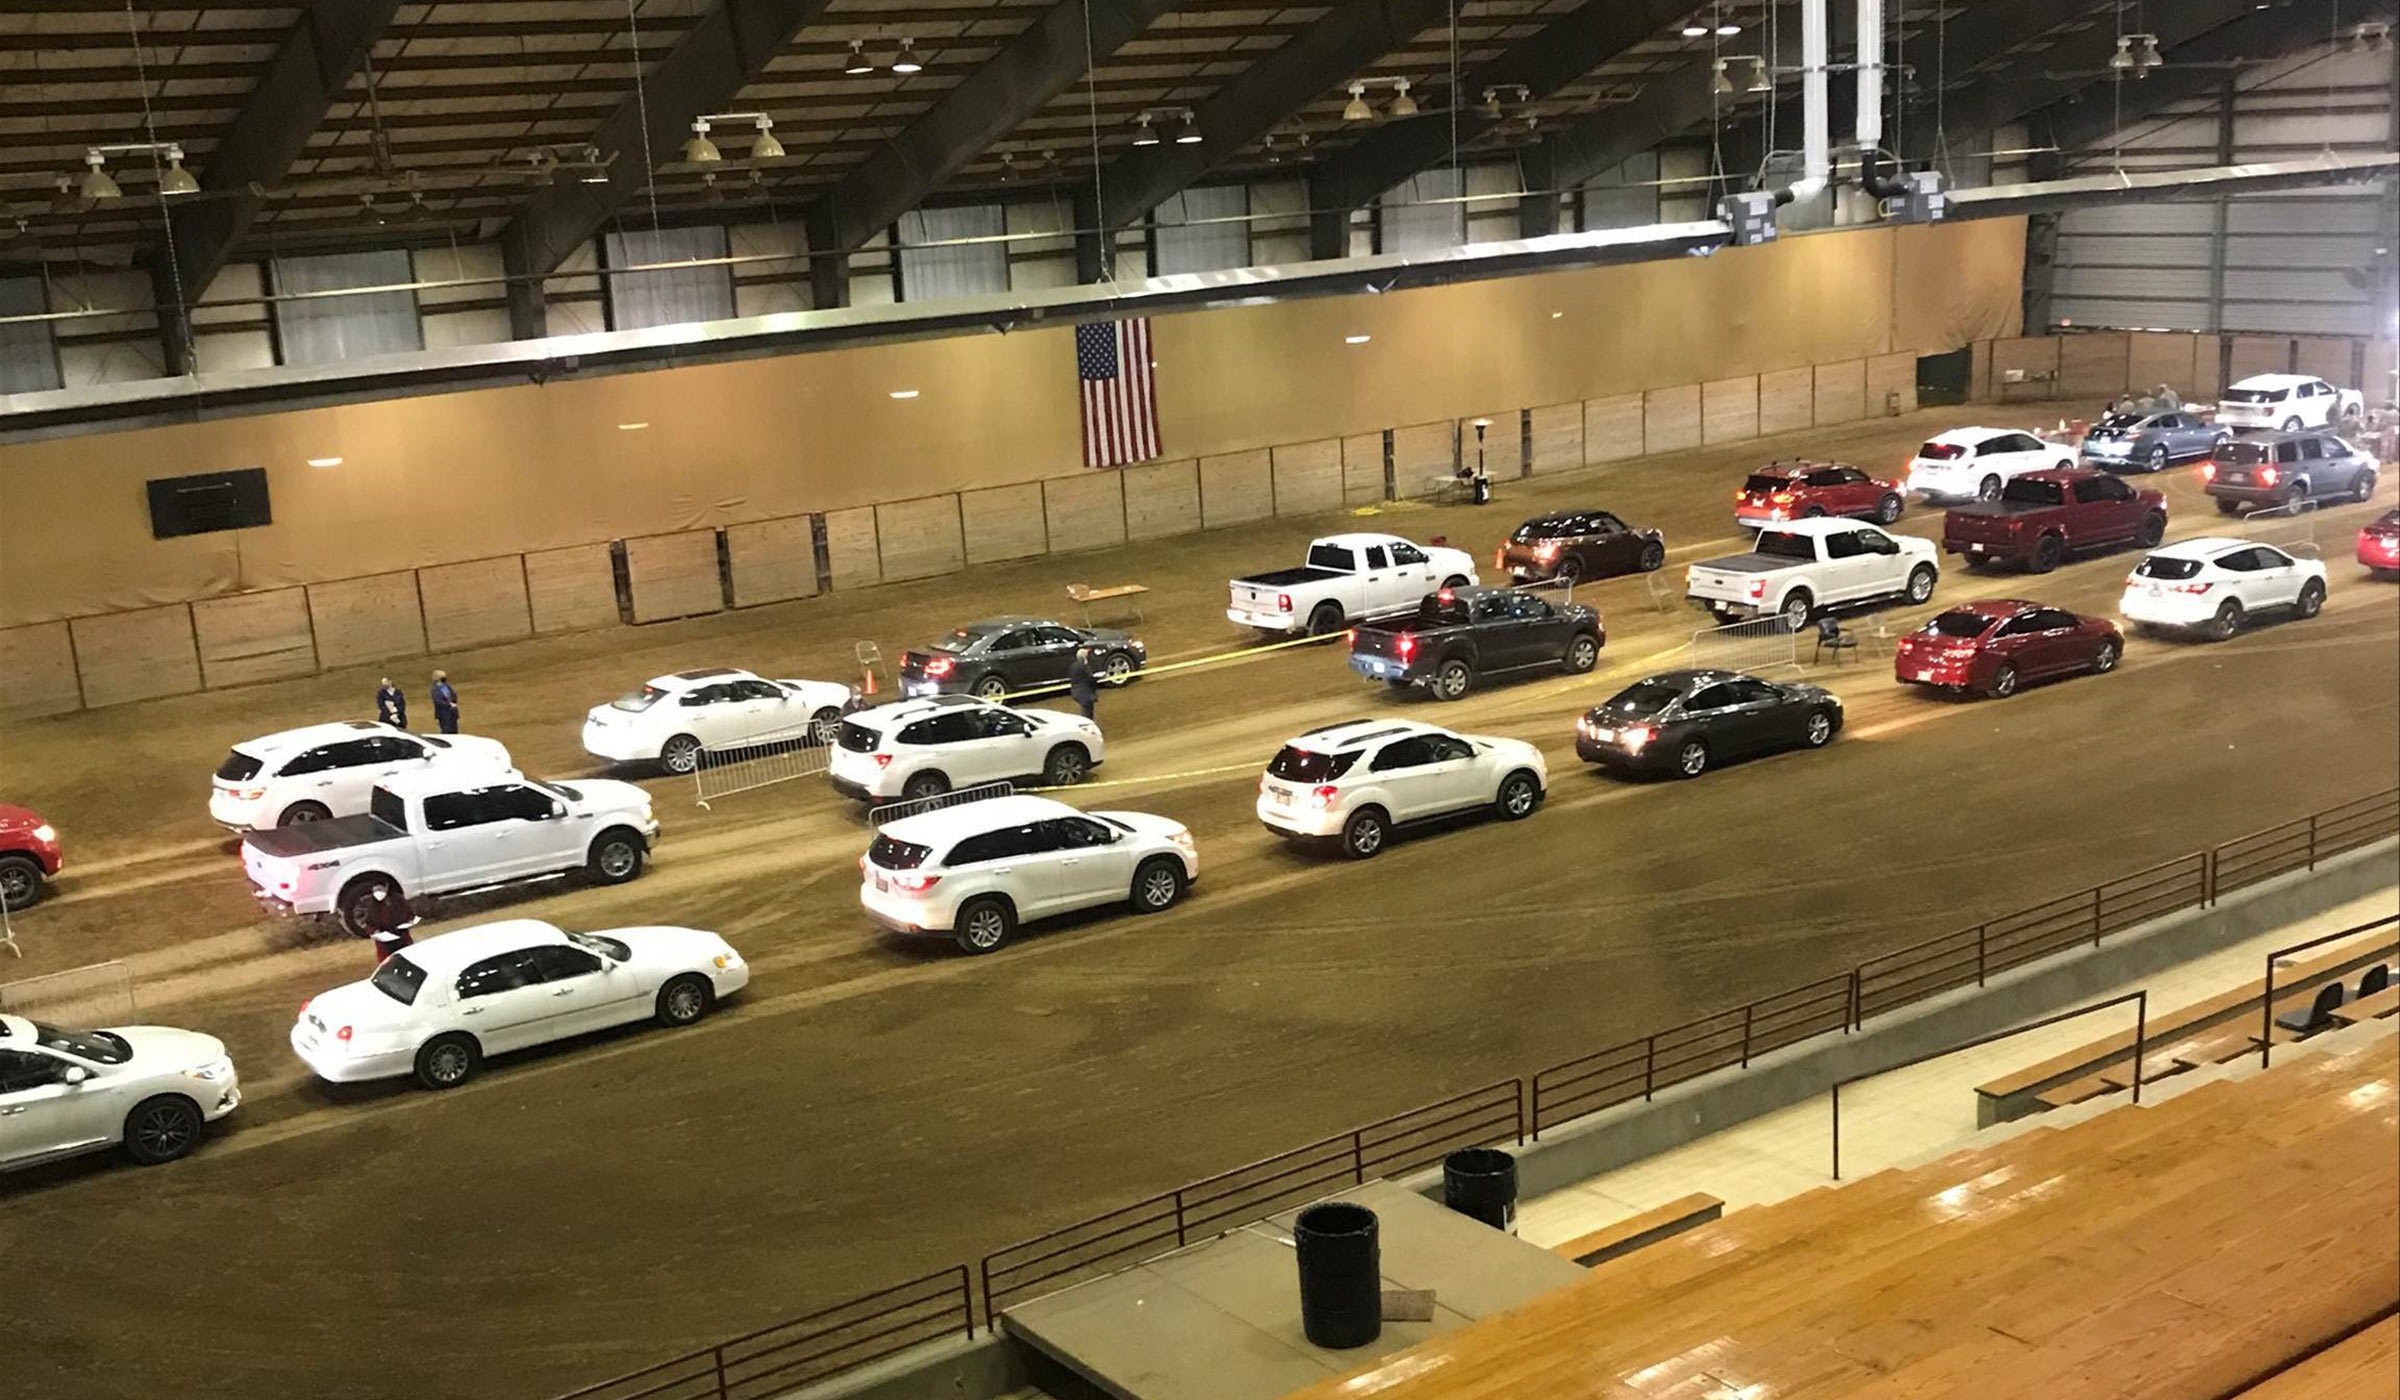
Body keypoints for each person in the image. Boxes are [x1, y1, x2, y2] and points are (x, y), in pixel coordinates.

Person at [360, 884, 417, 964]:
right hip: (384, 943)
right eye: (375, 891)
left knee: (407, 961)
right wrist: (374, 932)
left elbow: (409, 914)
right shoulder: (372, 905)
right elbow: (368, 923)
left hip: (402, 937)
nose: (377, 893)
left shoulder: (398, 900)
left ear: (386, 889)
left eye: (379, 889)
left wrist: (410, 921)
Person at [1067, 645, 1099, 722]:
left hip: (1075, 691)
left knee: (1085, 710)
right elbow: (1090, 679)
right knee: (1087, 713)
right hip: (1085, 693)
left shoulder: (1073, 666)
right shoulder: (1084, 667)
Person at [429, 670, 460, 735]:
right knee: (446, 731)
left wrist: (453, 703)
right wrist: (449, 704)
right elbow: (438, 701)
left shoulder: (447, 686)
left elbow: (454, 695)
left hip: (452, 712)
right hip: (443, 713)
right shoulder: (435, 689)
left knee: (455, 731)